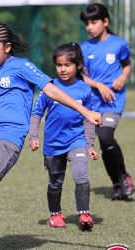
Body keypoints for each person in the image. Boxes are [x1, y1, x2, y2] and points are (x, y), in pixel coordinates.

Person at [0, 22, 102, 250]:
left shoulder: (21, 66)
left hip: (8, 139)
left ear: (6, 47)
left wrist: (86, 111)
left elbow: (51, 89)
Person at [28, 42, 99, 231]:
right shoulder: (49, 88)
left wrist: (90, 145)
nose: (62, 69)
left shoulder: (84, 90)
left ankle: (84, 213)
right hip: (52, 144)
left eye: (67, 65)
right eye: (59, 65)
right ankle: (56, 214)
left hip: (77, 141)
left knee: (81, 175)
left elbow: (88, 119)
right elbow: (36, 114)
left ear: (78, 65)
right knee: (55, 182)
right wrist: (33, 136)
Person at [80, 3, 134, 200]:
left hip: (113, 102)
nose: (90, 27)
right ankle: (117, 183)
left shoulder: (119, 44)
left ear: (105, 22)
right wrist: (99, 85)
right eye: (87, 23)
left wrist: (122, 77)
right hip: (93, 103)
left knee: (105, 136)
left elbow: (127, 65)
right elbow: (82, 76)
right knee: (104, 144)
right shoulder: (84, 48)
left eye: (94, 22)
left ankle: (124, 177)